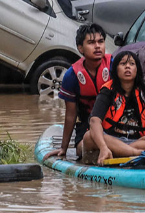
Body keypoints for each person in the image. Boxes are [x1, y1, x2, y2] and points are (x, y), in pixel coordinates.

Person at [84, 51, 145, 165]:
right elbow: (94, 120)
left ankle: (121, 152)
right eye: (123, 64)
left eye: (132, 64)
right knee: (88, 137)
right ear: (116, 70)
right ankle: (135, 153)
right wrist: (103, 146)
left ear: (137, 69)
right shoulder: (108, 91)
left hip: (136, 142)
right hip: (110, 140)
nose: (127, 67)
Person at [46, 24, 112, 159]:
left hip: (114, 123)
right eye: (91, 43)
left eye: (101, 41)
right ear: (80, 48)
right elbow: (71, 115)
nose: (97, 46)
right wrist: (63, 148)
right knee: (82, 149)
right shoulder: (72, 75)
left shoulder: (114, 66)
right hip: (87, 127)